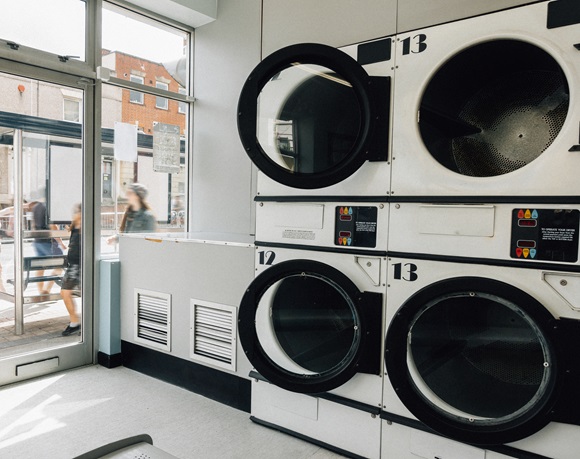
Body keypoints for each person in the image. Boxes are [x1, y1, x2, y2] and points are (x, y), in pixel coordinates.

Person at [31, 199, 67, 294]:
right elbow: (53, 227)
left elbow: (33, 224)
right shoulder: (49, 207)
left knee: (40, 267)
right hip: (49, 242)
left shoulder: (36, 207)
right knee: (60, 265)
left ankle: (41, 290)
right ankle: (47, 289)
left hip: (38, 241)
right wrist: (61, 242)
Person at [61, 203, 81, 336]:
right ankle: (74, 322)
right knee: (65, 293)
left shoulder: (86, 227)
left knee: (66, 292)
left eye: (76, 212)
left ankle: (75, 322)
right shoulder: (75, 227)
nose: (74, 214)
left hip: (80, 265)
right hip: (73, 265)